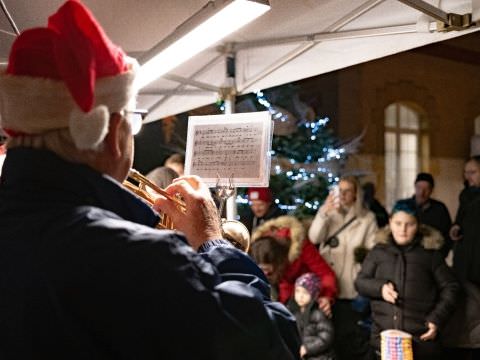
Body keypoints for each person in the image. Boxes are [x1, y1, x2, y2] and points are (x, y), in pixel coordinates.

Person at [0, 1, 301, 359]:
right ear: (112, 132)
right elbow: (274, 341)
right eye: (134, 120)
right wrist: (212, 243)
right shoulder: (141, 258)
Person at [355, 200, 460, 360]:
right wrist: (380, 288)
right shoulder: (378, 252)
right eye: (398, 223)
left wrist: (436, 318)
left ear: (417, 225)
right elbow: (360, 282)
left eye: (409, 224)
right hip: (384, 342)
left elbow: (451, 287)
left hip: (421, 341)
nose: (403, 230)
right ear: (390, 223)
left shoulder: (430, 255)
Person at [308, 175, 378, 360]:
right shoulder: (328, 214)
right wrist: (323, 211)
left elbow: (372, 250)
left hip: (350, 284)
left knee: (349, 332)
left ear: (356, 194)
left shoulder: (367, 218)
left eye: (348, 190)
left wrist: (359, 257)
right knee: (329, 334)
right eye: (341, 190)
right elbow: (314, 238)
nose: (344, 194)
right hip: (327, 284)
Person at [249, 216, 337, 316]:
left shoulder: (301, 247)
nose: (265, 273)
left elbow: (326, 274)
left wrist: (326, 296)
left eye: (268, 270)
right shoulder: (257, 248)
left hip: (302, 295)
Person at [398, 172, 452, 257]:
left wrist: (439, 256)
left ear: (431, 190)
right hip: (406, 256)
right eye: (419, 188)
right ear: (415, 187)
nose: (421, 192)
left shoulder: (440, 208)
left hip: (432, 257)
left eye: (426, 189)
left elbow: (447, 235)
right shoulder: (403, 206)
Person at [287, 273, 335, 360]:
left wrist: (307, 348)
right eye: (297, 291)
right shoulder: (292, 311)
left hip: (320, 357)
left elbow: (326, 337)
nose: (300, 296)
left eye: (305, 293)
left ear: (313, 295)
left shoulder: (318, 313)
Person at [449, 156, 480, 284]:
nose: (468, 177)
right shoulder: (465, 194)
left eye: (472, 172)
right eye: (466, 172)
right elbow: (460, 218)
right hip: (464, 255)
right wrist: (455, 228)